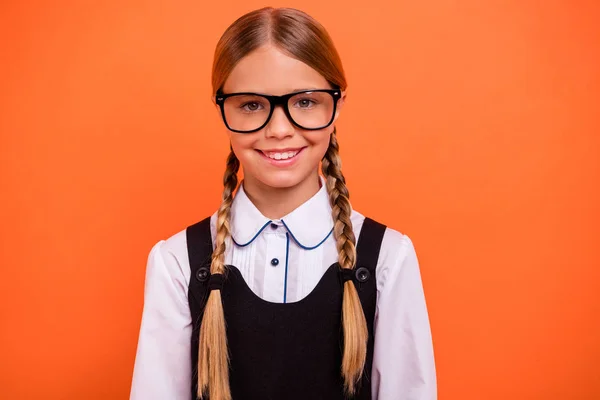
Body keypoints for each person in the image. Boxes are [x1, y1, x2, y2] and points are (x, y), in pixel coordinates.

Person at [130, 6, 436, 400]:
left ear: (337, 105)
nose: (279, 130)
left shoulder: (388, 260)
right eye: (252, 104)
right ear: (222, 108)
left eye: (305, 102)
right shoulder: (177, 264)